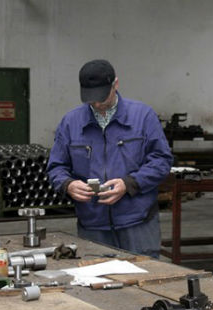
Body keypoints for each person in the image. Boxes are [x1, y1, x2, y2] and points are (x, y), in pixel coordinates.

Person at [47, 59, 173, 258]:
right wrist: (67, 184)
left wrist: (129, 184)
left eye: (102, 98)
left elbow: (162, 160)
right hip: (93, 226)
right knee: (96, 274)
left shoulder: (143, 117)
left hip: (137, 223)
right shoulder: (70, 123)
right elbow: (56, 167)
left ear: (116, 84)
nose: (98, 104)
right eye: (91, 99)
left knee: (143, 273)